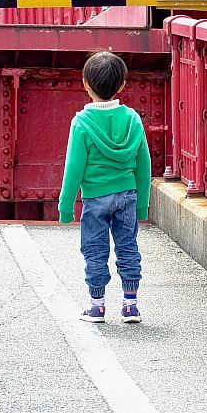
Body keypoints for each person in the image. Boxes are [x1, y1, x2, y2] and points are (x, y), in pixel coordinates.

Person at [58, 50, 152, 324]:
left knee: (95, 249)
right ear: (122, 85)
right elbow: (143, 164)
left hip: (96, 198)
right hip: (127, 195)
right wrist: (143, 205)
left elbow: (73, 169)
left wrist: (66, 207)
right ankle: (130, 305)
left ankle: (97, 306)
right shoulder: (132, 119)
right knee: (128, 247)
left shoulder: (82, 123)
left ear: (85, 84)